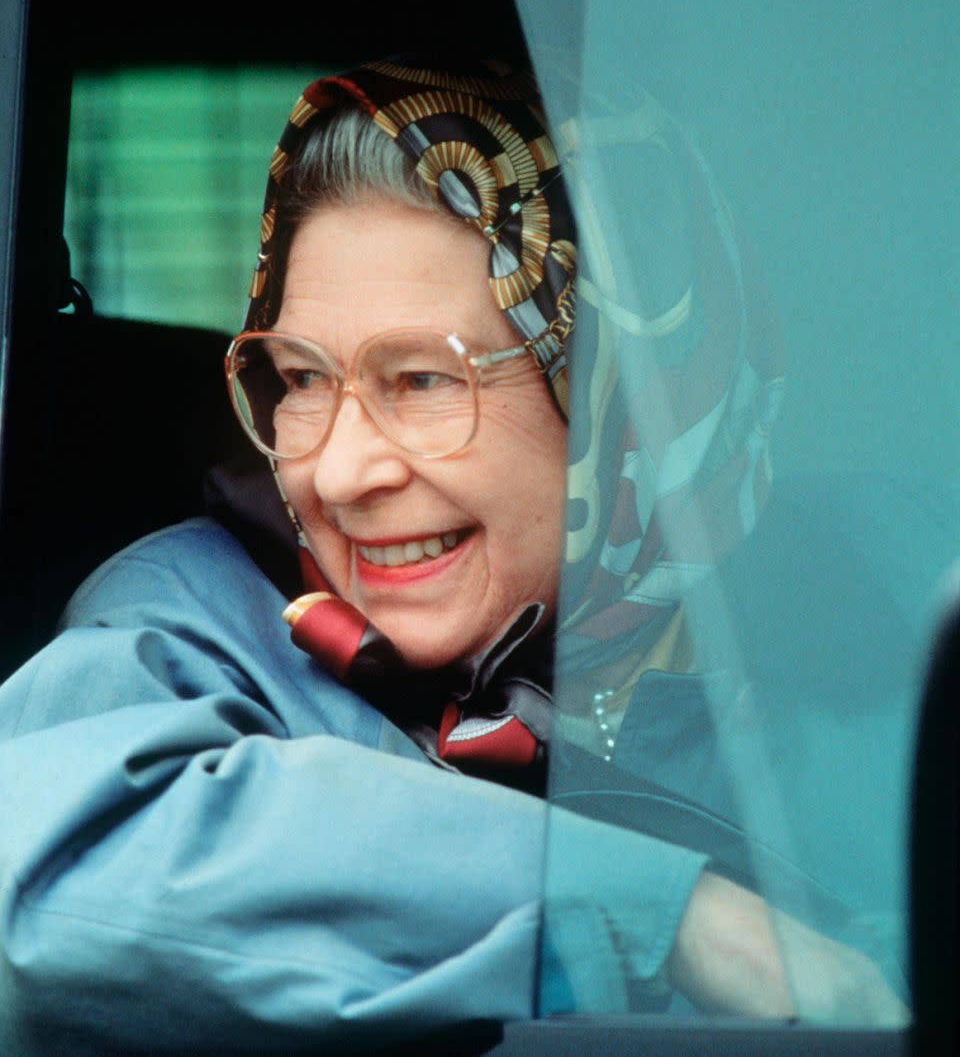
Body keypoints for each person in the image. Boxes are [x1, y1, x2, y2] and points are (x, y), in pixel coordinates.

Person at [0, 57, 902, 1055]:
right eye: (301, 376)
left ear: (629, 390)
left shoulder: (881, 595)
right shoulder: (205, 621)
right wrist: (676, 920)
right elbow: (42, 865)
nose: (339, 473)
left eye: (423, 379)